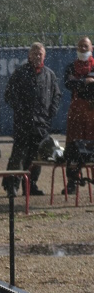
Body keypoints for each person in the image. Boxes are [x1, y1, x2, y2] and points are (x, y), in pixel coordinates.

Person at [4, 42, 61, 197]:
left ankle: (31, 186)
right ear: (29, 55)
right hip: (23, 124)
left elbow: (56, 95)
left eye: (40, 54)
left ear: (44, 56)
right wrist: (22, 111)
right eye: (34, 53)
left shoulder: (50, 75)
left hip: (42, 124)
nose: (37, 56)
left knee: (37, 156)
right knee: (18, 155)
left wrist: (50, 113)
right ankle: (12, 185)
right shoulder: (20, 73)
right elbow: (9, 94)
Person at [63, 36, 94, 193]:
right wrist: (85, 82)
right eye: (80, 46)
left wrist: (80, 82)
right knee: (73, 145)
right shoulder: (70, 67)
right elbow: (68, 83)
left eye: (86, 46)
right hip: (76, 112)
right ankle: (73, 181)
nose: (83, 48)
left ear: (91, 48)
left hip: (92, 112)